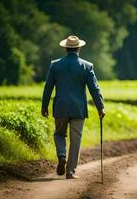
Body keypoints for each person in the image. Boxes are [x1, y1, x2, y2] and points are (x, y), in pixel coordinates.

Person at [41, 35, 105, 179]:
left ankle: (62, 156)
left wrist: (44, 105)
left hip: (61, 107)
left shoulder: (55, 65)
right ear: (79, 48)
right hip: (78, 108)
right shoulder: (87, 66)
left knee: (59, 134)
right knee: (76, 140)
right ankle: (70, 172)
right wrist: (100, 107)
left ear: (65, 48)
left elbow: (48, 87)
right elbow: (94, 88)